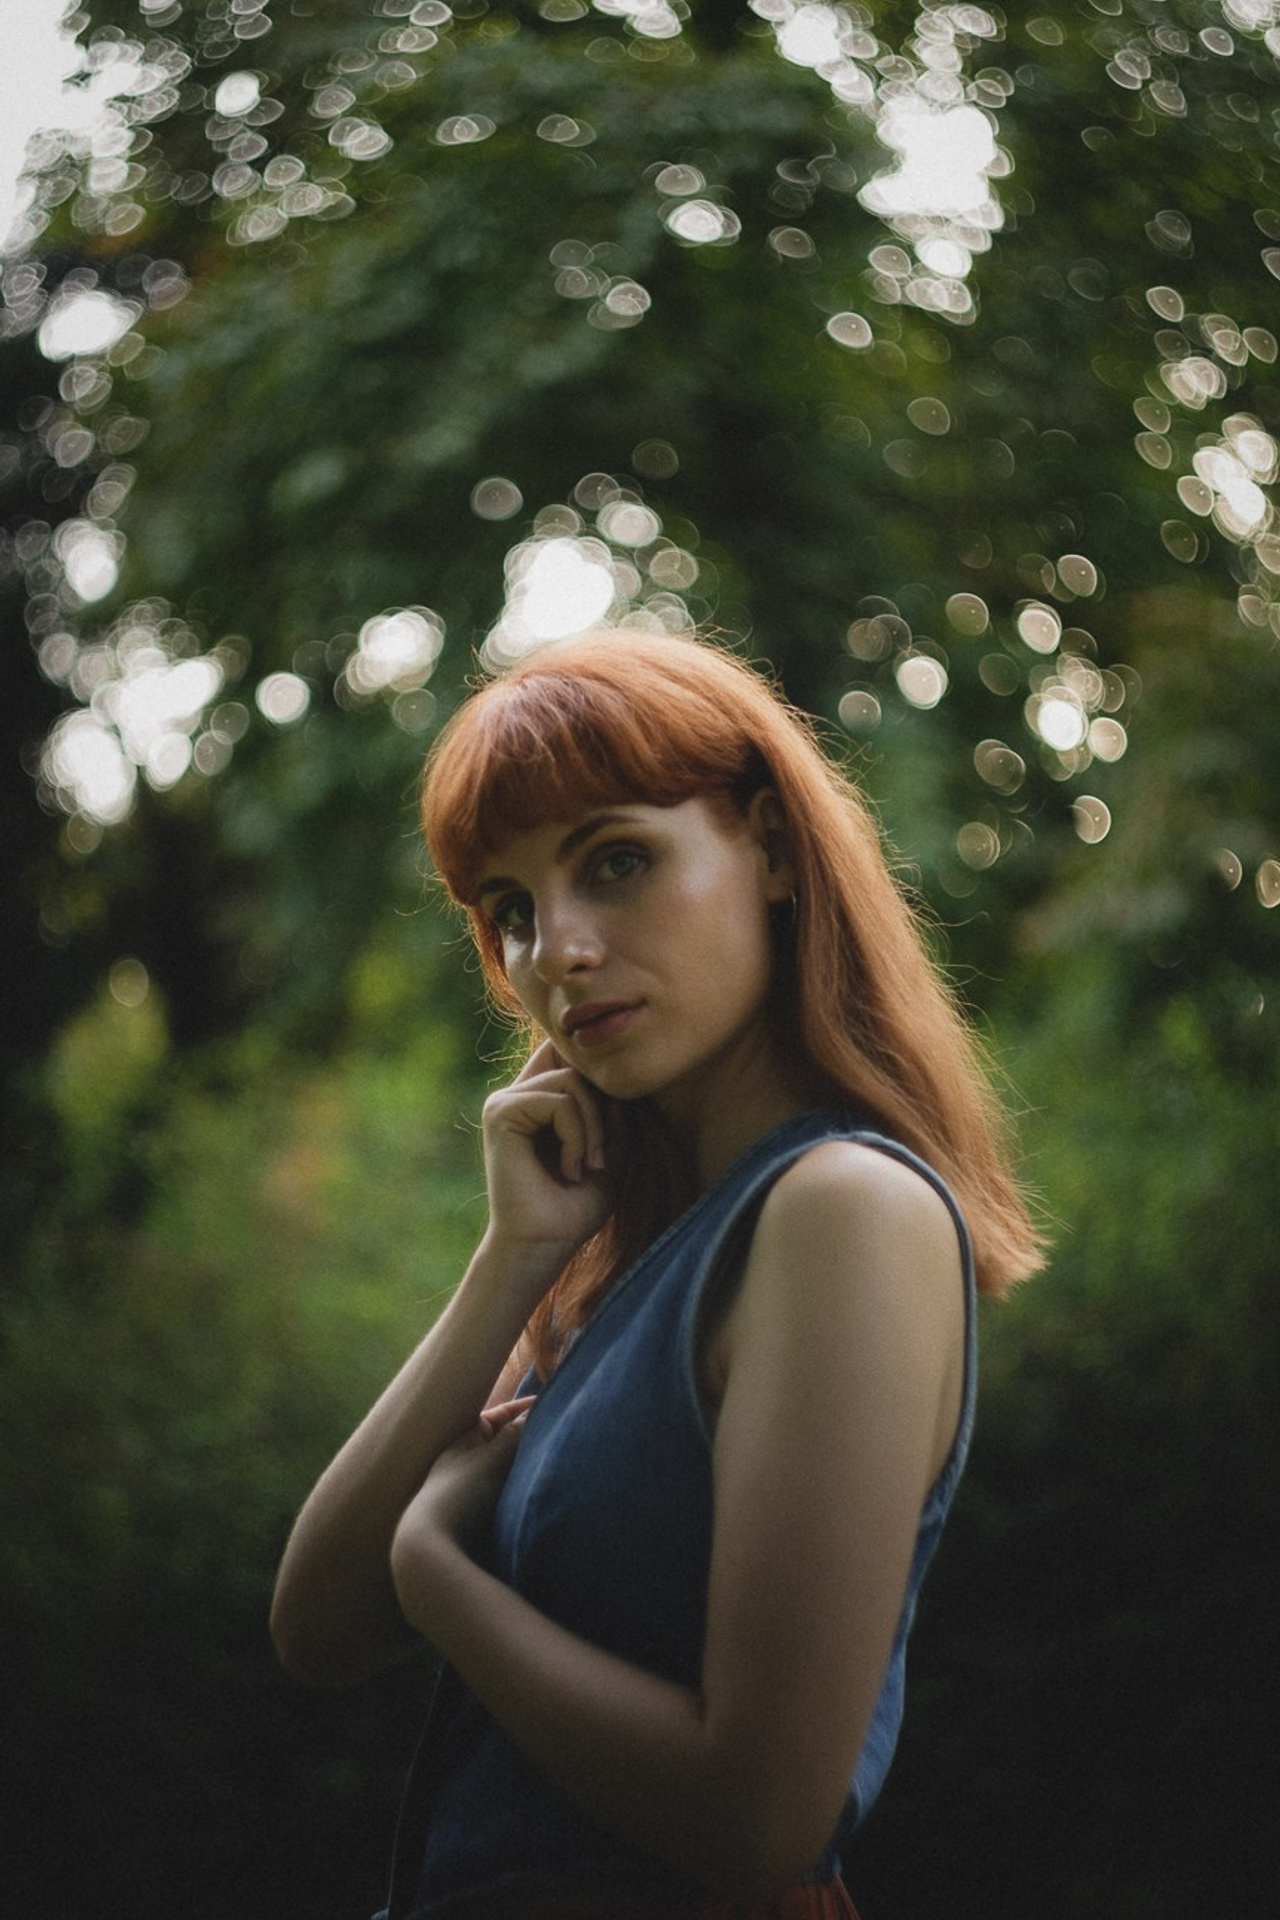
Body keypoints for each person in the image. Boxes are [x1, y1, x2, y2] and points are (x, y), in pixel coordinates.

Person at [270, 627, 1043, 1919]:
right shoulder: (622, 1258)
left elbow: (763, 1817)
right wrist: (513, 1260)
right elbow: (316, 1629)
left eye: (615, 862)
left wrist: (445, 1583)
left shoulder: (840, 1209)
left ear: (774, 850)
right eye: (509, 910)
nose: (554, 953)